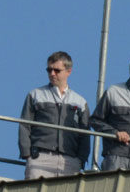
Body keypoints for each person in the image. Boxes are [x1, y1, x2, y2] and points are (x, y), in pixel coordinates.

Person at [18, 51, 92, 179]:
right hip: (39, 158)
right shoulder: (35, 95)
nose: (52, 74)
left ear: (69, 71)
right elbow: (25, 125)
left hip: (70, 161)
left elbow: (85, 134)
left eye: (56, 70)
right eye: (49, 70)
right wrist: (27, 153)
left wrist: (80, 160)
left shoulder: (80, 101)